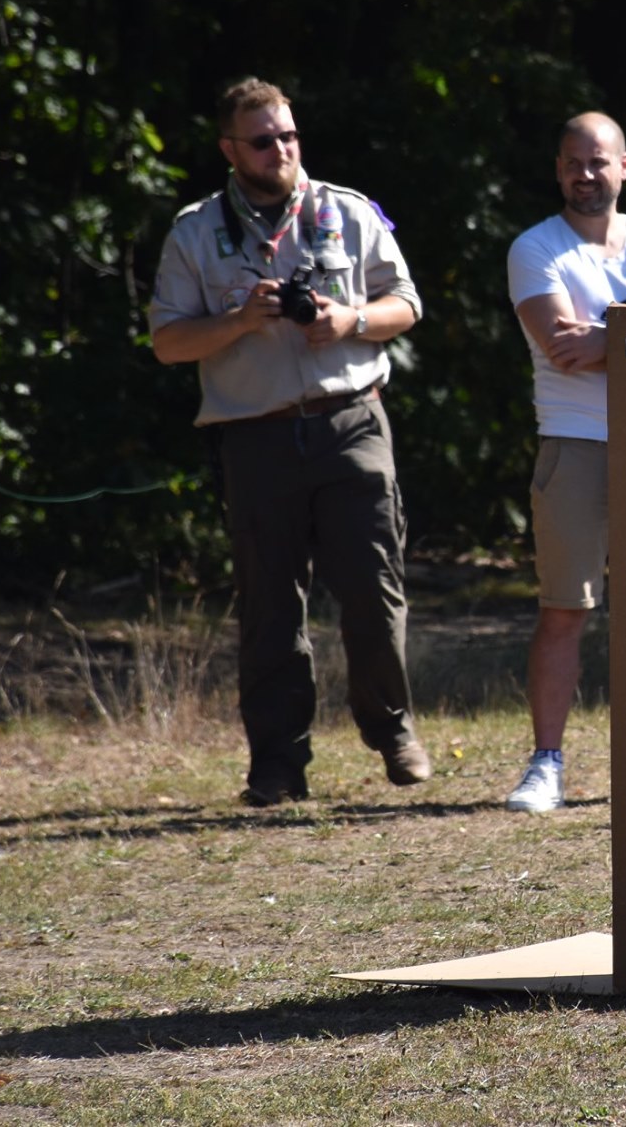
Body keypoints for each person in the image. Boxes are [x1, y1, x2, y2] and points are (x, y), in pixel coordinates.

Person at [150, 77, 430, 806]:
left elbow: (407, 305)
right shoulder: (194, 231)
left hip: (351, 422)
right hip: (257, 436)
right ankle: (277, 762)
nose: (281, 150)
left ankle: (392, 728)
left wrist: (350, 322)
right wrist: (240, 321)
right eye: (264, 139)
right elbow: (169, 341)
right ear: (229, 149)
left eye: (289, 135)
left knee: (373, 589)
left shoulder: (348, 210)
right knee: (271, 605)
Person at [505, 112, 626, 813]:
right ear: (557, 170)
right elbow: (563, 347)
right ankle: (547, 764)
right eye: (572, 163)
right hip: (574, 442)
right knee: (565, 608)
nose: (585, 175)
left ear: (625, 166)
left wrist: (609, 334)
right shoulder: (535, 248)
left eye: (599, 161)